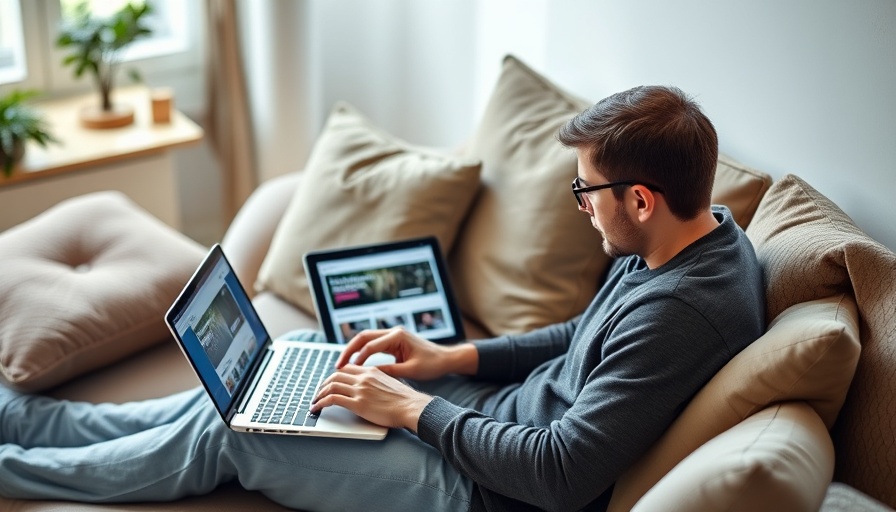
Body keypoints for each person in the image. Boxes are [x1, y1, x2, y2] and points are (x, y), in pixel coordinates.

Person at [0, 85, 765, 512]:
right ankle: (39, 420)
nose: (578, 205)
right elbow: (581, 335)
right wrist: (451, 356)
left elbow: (562, 475)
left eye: (585, 191)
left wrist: (407, 408)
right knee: (293, 358)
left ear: (639, 198)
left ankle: (15, 466)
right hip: (488, 414)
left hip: (491, 492)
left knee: (239, 433)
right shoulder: (703, 235)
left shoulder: (681, 313)